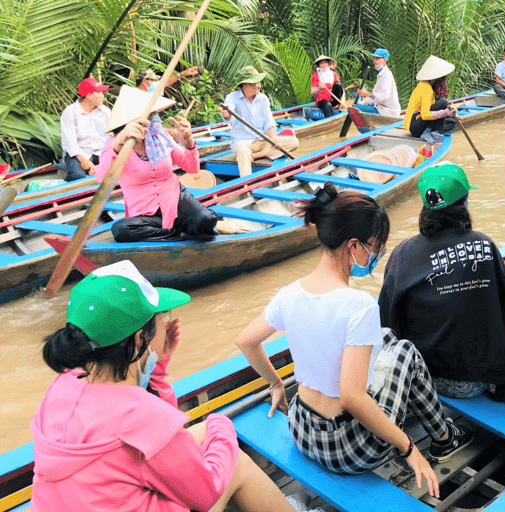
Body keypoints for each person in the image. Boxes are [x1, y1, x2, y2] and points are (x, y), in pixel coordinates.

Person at [235, 183, 473, 496]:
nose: (376, 254)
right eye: (375, 247)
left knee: (385, 336)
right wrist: (409, 449)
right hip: (348, 450)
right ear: (353, 246)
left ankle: (426, 420)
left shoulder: (289, 294)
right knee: (405, 351)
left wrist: (276, 384)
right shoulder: (358, 306)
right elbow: (351, 397)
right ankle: (444, 438)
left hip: (302, 430)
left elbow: (246, 341)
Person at [30, 260, 294, 512]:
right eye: (159, 317)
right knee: (234, 463)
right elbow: (206, 493)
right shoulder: (145, 419)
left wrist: (157, 367)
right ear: (138, 338)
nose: (166, 322)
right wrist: (220, 424)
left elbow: (156, 429)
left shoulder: (63, 385)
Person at [377, 163, 505, 410]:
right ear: (464, 203)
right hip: (477, 381)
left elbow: (387, 317)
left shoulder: (402, 254)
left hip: (424, 376)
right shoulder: (483, 245)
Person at [97, 86, 218, 242]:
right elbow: (102, 179)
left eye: (153, 115)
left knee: (206, 220)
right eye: (149, 116)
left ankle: (174, 229)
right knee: (121, 230)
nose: (153, 120)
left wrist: (188, 140)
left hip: (175, 199)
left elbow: (192, 168)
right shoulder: (115, 144)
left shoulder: (159, 136)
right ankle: (177, 232)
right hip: (144, 212)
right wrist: (119, 142)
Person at [219, 66, 299, 177]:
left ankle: (257, 155)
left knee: (293, 142)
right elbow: (229, 111)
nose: (259, 86)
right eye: (255, 83)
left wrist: (274, 139)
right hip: (243, 142)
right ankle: (247, 183)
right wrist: (227, 114)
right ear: (245, 85)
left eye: (259, 82)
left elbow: (268, 122)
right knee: (243, 152)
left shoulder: (263, 99)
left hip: (263, 141)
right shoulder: (232, 97)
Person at [60, 78, 111, 182]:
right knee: (77, 176)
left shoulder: (105, 111)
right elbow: (69, 143)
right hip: (79, 153)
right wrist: (84, 161)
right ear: (89, 95)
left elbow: (112, 138)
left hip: (101, 152)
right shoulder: (70, 112)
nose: (103, 95)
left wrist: (100, 166)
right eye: (99, 92)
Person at [403, 55, 457, 144]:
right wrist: (445, 113)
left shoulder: (424, 85)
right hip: (415, 126)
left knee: (451, 122)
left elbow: (433, 109)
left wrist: (453, 114)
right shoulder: (426, 89)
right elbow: (425, 115)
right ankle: (429, 131)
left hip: (416, 124)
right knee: (443, 103)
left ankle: (432, 131)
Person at [355, 48, 400, 117]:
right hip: (380, 107)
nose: (375, 61)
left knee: (356, 109)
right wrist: (361, 102)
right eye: (374, 58)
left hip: (388, 111)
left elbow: (384, 97)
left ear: (385, 61)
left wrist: (367, 94)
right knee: (356, 106)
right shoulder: (380, 75)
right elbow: (373, 98)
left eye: (378, 58)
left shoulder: (387, 75)